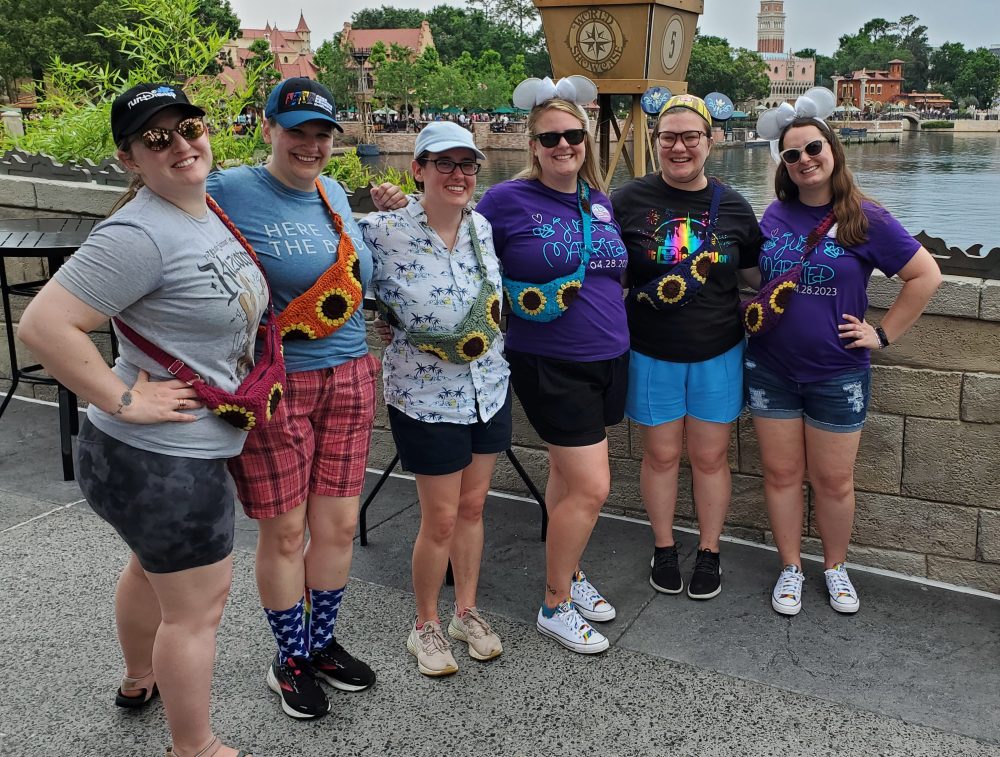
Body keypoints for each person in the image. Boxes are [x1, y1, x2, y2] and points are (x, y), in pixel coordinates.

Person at [19, 83, 262, 757]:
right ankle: (195, 746)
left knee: (148, 569)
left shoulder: (199, 208)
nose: (181, 144)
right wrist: (123, 398)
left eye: (190, 126)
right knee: (196, 611)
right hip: (164, 462)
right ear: (129, 158)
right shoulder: (139, 233)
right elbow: (42, 324)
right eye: (157, 138)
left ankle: (138, 678)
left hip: (136, 457)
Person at [206, 77, 380, 720]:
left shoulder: (333, 193)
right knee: (284, 531)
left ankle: (322, 642)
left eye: (322, 134)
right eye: (296, 131)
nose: (310, 145)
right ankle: (290, 657)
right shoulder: (228, 189)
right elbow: (161, 229)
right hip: (278, 384)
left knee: (337, 524)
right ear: (267, 128)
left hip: (351, 374)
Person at [747, 92, 941, 616]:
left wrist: (883, 334)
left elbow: (926, 275)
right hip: (771, 367)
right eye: (792, 154)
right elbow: (755, 274)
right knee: (781, 475)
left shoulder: (865, 216)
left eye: (814, 148)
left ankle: (834, 566)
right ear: (783, 164)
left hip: (838, 372)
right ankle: (791, 567)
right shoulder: (776, 214)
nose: (805, 159)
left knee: (833, 481)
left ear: (832, 149)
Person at [475, 76, 630, 654]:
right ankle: (554, 603)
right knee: (593, 486)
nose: (563, 145)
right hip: (550, 361)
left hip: (609, 355)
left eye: (573, 135)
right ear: (533, 146)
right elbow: (460, 254)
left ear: (586, 141)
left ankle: (570, 570)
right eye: (550, 138)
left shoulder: (598, 201)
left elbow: (614, 273)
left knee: (567, 479)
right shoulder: (505, 201)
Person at [361, 122, 510, 677]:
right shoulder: (379, 230)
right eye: (443, 163)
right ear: (417, 169)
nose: (457, 174)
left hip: (488, 388)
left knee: (472, 508)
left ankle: (465, 612)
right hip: (425, 397)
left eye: (467, 164)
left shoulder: (482, 226)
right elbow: (337, 276)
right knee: (440, 518)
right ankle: (425, 622)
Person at [611, 94, 763, 600]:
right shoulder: (627, 200)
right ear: (655, 142)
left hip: (718, 350)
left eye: (690, 136)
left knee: (711, 457)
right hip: (651, 350)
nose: (679, 147)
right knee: (659, 455)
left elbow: (755, 275)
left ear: (710, 141)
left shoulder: (735, 205)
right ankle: (663, 546)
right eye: (668, 137)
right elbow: (609, 273)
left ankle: (710, 550)